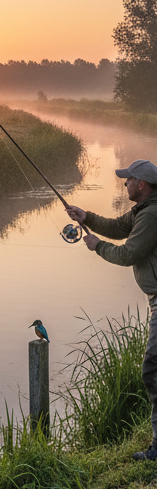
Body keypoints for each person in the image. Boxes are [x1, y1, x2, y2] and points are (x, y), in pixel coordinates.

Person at [67, 159, 157, 461]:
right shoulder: (144, 210)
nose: (125, 184)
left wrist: (97, 246)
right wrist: (86, 216)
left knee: (152, 370)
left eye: (128, 180)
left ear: (141, 184)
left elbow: (128, 253)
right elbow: (118, 228)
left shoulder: (151, 215)